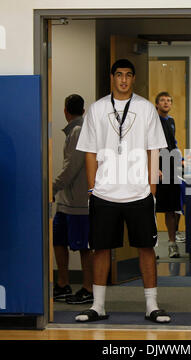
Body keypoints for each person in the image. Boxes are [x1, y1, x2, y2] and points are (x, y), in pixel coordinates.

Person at [75, 59, 171, 323]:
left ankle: (152, 305)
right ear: (112, 78)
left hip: (139, 192)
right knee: (101, 249)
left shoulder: (146, 108)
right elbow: (90, 152)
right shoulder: (97, 109)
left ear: (133, 79)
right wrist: (93, 187)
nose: (124, 80)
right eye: (119, 75)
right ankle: (98, 305)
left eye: (129, 75)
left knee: (146, 248)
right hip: (105, 193)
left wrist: (151, 190)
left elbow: (154, 150)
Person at [52, 94, 94, 305]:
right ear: (83, 111)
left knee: (85, 247)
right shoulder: (76, 130)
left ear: (65, 111)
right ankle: (62, 284)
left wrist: (52, 185)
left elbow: (71, 167)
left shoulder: (79, 131)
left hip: (78, 203)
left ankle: (88, 288)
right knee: (58, 241)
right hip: (65, 202)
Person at [155, 92, 182, 258]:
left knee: (172, 209)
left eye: (169, 101)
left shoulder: (171, 121)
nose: (166, 103)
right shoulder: (152, 121)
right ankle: (151, 247)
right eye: (163, 100)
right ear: (156, 104)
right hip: (156, 170)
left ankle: (172, 244)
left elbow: (173, 143)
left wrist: (181, 160)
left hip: (171, 168)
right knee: (151, 208)